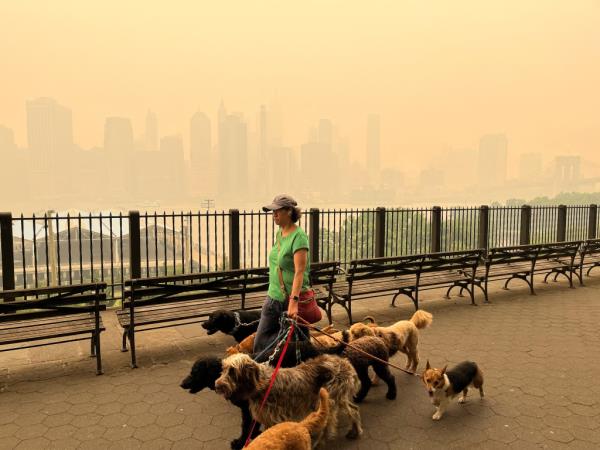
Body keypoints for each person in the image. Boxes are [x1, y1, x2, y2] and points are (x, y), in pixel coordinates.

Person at [253, 194, 311, 358]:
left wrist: (294, 302)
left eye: (277, 211)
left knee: (296, 344)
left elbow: (300, 271)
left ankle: (307, 374)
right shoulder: (280, 232)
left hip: (290, 300)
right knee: (260, 343)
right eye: (273, 212)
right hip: (273, 298)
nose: (274, 215)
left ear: (289, 211)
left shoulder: (299, 237)